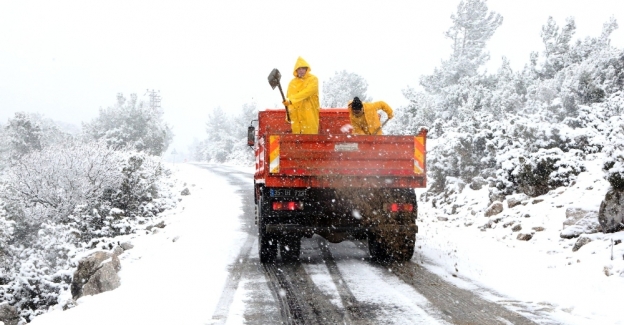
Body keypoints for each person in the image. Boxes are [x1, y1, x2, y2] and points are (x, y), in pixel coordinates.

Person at [282, 57, 320, 134]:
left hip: (309, 115)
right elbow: (288, 100)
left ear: (307, 69)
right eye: (299, 69)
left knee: (310, 140)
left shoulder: (313, 79)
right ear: (296, 70)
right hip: (296, 118)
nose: (301, 71)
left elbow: (307, 92)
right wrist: (288, 114)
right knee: (297, 142)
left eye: (303, 68)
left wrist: (291, 100)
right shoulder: (292, 83)